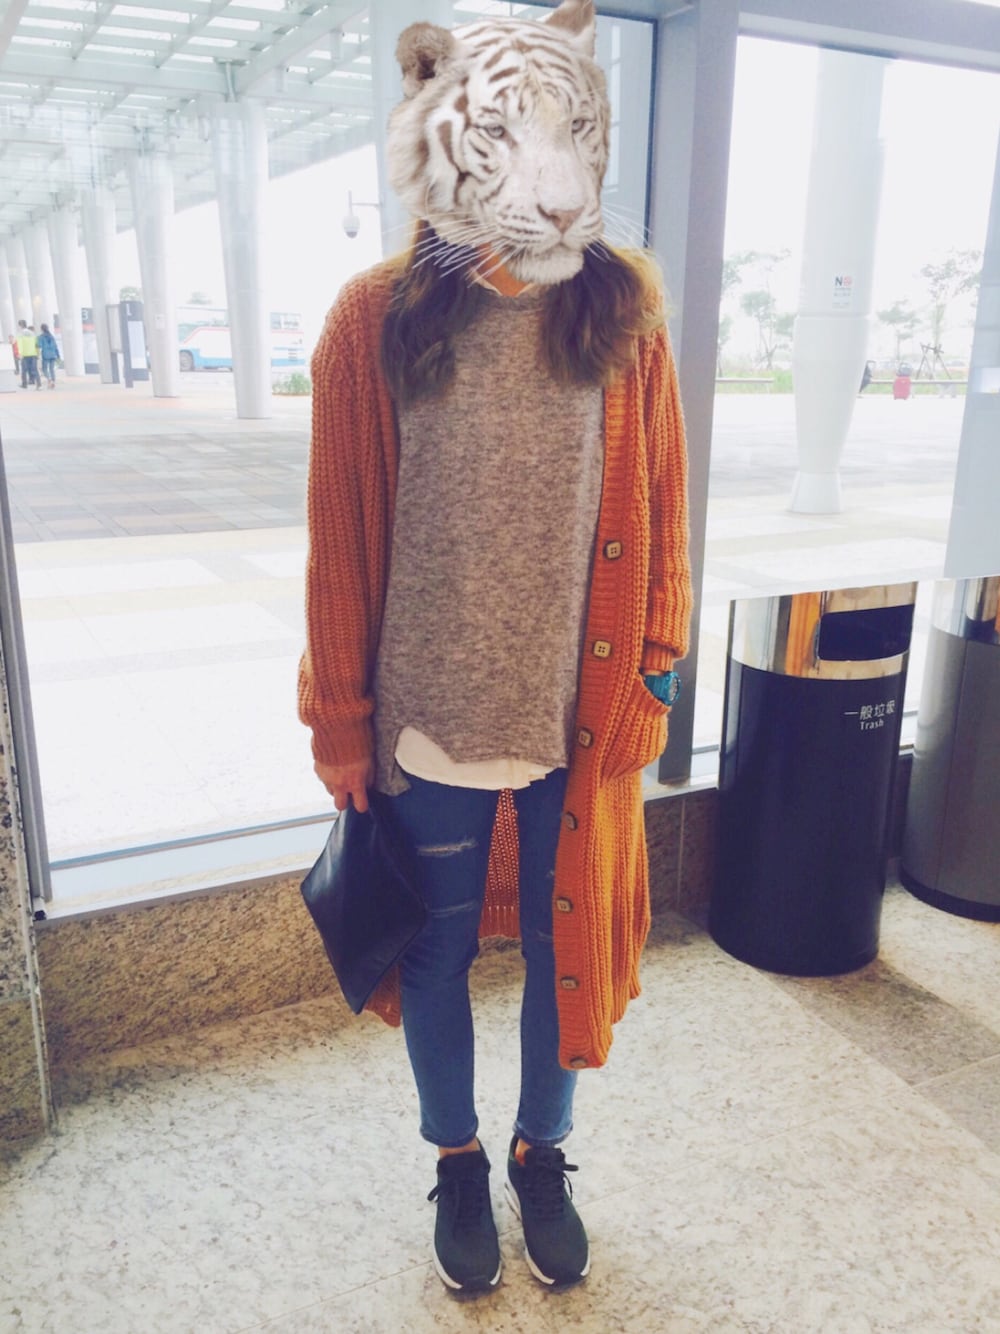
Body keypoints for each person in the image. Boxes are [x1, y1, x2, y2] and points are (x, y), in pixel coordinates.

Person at [298, 0, 692, 1296]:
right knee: (438, 950)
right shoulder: (372, 318)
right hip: (430, 716)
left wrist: (654, 667)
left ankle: (541, 1151)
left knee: (564, 948)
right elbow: (341, 542)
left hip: (575, 710)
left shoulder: (623, 311)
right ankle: (459, 1156)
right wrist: (339, 721)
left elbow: (663, 510)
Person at [16, 323, 40, 389]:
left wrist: (20, 354)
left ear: (20, 326)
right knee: (35, 370)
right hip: (33, 354)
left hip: (25, 355)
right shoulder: (33, 334)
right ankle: (39, 384)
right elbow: (37, 345)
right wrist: (38, 354)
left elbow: (20, 345)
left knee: (24, 371)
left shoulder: (20, 334)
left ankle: (24, 384)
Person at [37, 323, 60, 388]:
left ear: (41, 329)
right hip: (53, 355)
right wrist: (58, 355)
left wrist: (38, 354)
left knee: (44, 369)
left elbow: (39, 346)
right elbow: (55, 346)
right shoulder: (52, 336)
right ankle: (53, 381)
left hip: (46, 355)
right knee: (51, 369)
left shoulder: (41, 337)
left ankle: (49, 379)